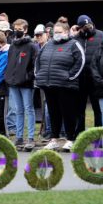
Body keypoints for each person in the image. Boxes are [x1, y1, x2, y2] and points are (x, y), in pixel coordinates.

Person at [35, 22, 85, 151]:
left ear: (66, 32)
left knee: (68, 113)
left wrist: (70, 77)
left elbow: (80, 61)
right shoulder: (47, 45)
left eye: (59, 32)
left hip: (66, 86)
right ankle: (54, 139)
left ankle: (70, 139)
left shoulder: (74, 44)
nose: (56, 34)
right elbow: (38, 61)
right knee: (53, 113)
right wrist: (38, 75)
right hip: (49, 85)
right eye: (55, 32)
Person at [5, 19, 38, 151]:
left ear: (25, 30)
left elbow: (35, 65)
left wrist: (27, 77)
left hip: (26, 84)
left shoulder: (31, 46)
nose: (17, 30)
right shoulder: (12, 46)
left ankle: (30, 138)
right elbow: (10, 63)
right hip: (13, 83)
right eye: (15, 28)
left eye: (20, 28)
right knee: (18, 110)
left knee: (29, 109)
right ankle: (19, 137)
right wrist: (8, 77)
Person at [75, 15, 103, 140]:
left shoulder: (101, 36)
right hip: (80, 79)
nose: (87, 28)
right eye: (83, 26)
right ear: (79, 28)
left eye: (88, 25)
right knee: (79, 109)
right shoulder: (75, 39)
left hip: (96, 79)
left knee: (97, 109)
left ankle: (98, 135)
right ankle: (80, 134)